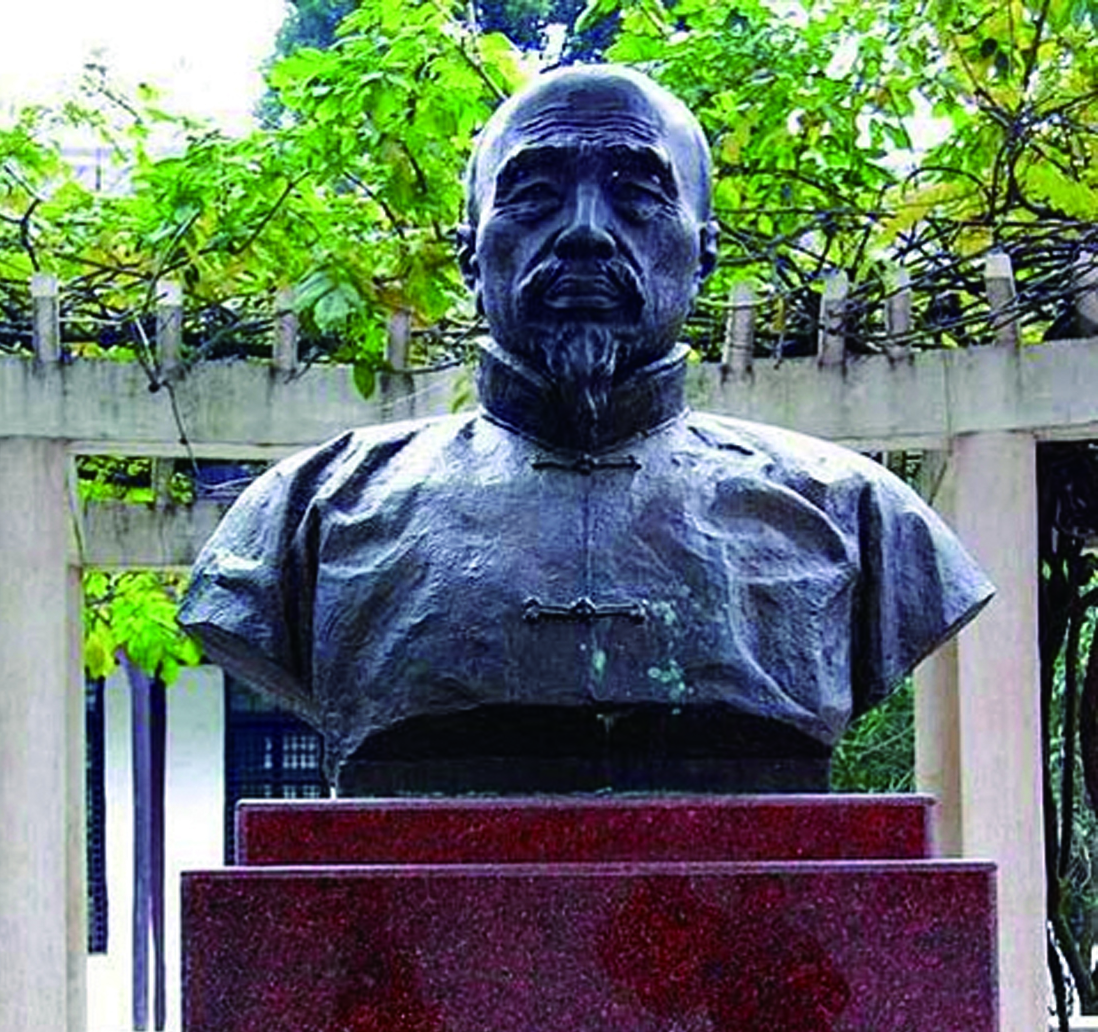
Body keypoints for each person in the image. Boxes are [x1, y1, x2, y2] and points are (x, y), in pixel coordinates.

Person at [180, 65, 992, 795]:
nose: (584, 232)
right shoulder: (311, 514)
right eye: (533, 194)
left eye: (637, 193)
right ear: (469, 254)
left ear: (703, 252)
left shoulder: (852, 517)